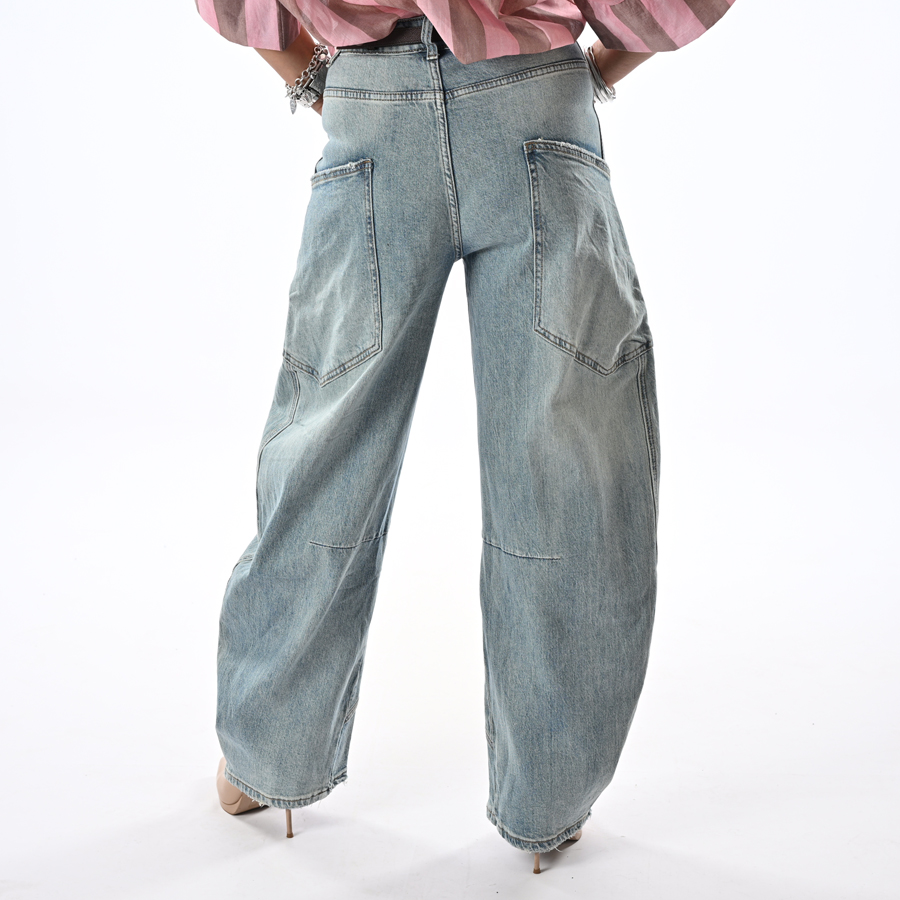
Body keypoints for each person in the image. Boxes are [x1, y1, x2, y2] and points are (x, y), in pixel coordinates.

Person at [196, 0, 736, 875]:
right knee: (564, 462)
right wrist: (591, 72)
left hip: (371, 117)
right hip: (537, 112)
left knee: (324, 448)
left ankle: (269, 758)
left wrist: (317, 78)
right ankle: (547, 801)